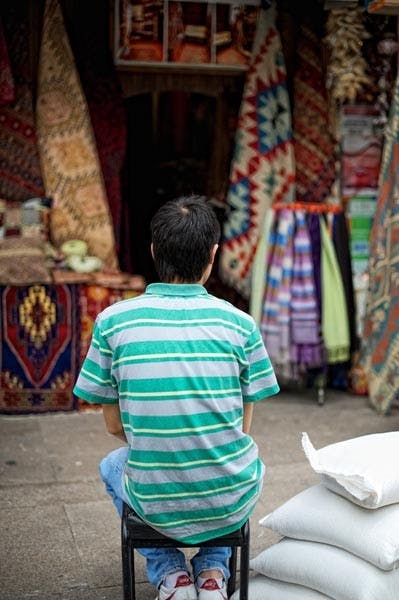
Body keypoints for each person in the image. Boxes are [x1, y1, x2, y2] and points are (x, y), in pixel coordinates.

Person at [73, 195, 279, 600]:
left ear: (153, 251)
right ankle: (214, 571)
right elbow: (241, 427)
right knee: (234, 459)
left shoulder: (112, 322)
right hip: (227, 497)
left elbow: (115, 427)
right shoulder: (241, 325)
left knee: (111, 465)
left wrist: (160, 438)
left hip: (153, 497)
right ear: (213, 255)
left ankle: (171, 575)